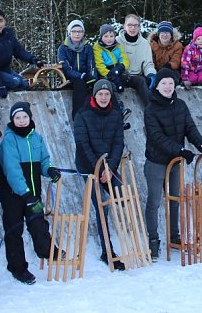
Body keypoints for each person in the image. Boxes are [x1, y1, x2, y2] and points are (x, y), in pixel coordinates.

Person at [143, 67, 202, 261]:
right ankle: (153, 240)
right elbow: (156, 137)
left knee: (175, 199)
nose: (167, 86)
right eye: (163, 83)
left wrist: (201, 144)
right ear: (157, 86)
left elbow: (190, 128)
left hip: (176, 163)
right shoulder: (151, 109)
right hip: (156, 161)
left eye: (171, 83)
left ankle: (174, 236)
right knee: (154, 201)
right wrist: (180, 150)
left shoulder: (180, 105)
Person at [0, 102, 62, 284]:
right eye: (17, 118)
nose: (21, 121)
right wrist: (25, 194)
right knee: (14, 230)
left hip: (33, 193)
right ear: (12, 120)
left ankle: (47, 251)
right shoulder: (9, 141)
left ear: (30, 118)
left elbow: (44, 159)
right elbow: (12, 170)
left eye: (24, 117)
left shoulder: (37, 138)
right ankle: (18, 268)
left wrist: (49, 170)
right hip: (13, 194)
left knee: (38, 223)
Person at [72, 79, 127, 270]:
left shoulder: (115, 114)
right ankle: (107, 250)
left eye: (107, 94)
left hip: (108, 167)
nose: (103, 97)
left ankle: (130, 238)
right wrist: (99, 169)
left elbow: (119, 143)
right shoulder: (83, 114)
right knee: (100, 205)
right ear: (94, 95)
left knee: (122, 196)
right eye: (100, 94)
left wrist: (110, 168)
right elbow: (83, 145)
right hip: (88, 166)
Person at [0, 8, 42, 98]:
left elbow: (19, 51)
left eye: (0, 20)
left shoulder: (8, 34)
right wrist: (0, 85)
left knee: (25, 83)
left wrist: (33, 59)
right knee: (16, 82)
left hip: (6, 70)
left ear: (5, 21)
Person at [57, 19, 98, 119]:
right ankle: (78, 116)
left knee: (101, 84)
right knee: (80, 83)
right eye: (74, 31)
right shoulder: (63, 48)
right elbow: (66, 69)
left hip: (86, 76)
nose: (77, 34)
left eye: (80, 31)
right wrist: (80, 76)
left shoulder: (87, 47)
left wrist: (92, 77)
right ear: (69, 32)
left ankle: (112, 114)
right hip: (70, 78)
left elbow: (91, 64)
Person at [92, 24, 131, 120]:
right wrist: (110, 75)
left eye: (111, 36)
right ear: (101, 37)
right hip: (105, 73)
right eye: (106, 36)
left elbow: (125, 60)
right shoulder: (97, 48)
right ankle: (119, 108)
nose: (109, 39)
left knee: (126, 76)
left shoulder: (118, 46)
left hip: (117, 69)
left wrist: (119, 68)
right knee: (111, 85)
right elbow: (99, 65)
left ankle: (121, 87)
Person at [116, 13, 157, 104]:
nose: (133, 28)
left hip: (136, 77)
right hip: (119, 76)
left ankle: (151, 110)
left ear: (139, 27)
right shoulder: (116, 41)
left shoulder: (144, 43)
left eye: (135, 25)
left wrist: (151, 74)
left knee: (144, 82)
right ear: (124, 26)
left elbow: (148, 64)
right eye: (130, 25)